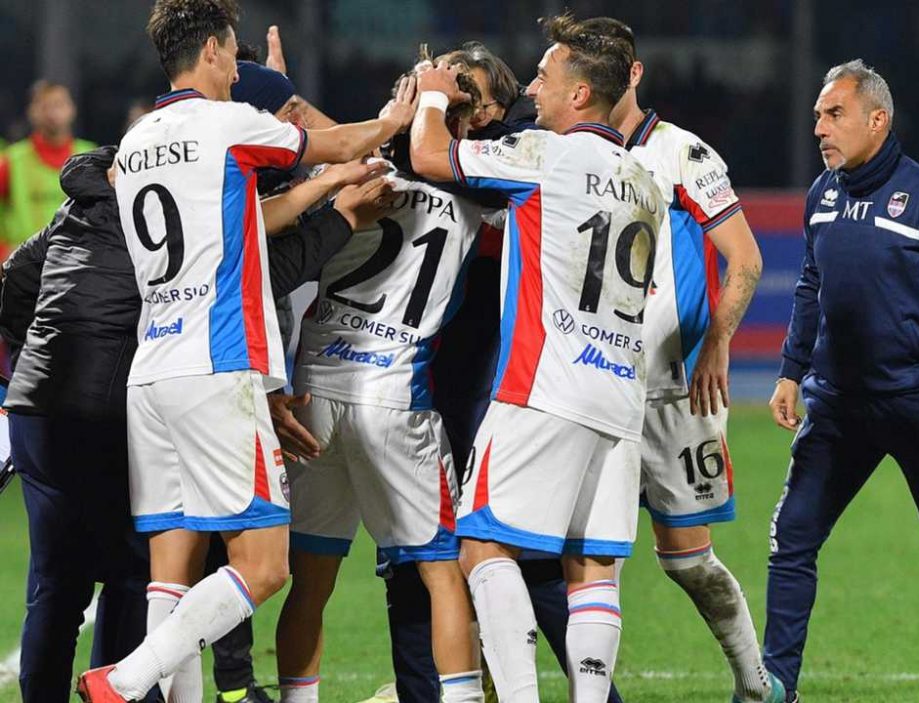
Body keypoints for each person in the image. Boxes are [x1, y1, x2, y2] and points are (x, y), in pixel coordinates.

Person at [75, 0, 419, 699]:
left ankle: (147, 684)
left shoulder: (137, 140)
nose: (238, 69)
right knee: (264, 565)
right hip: (218, 366)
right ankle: (127, 678)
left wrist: (321, 189)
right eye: (233, 55)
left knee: (171, 571)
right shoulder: (227, 123)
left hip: (156, 370)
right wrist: (395, 119)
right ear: (210, 51)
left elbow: (237, 220)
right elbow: (343, 143)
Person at [0, 139, 384, 702]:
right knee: (144, 568)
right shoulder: (179, 208)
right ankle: (126, 686)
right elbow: (259, 273)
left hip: (40, 407)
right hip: (119, 406)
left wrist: (35, 355)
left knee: (57, 583)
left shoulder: (76, 205)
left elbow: (14, 288)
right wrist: (341, 219)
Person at [408, 14, 664, 702]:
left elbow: (431, 158)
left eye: (546, 78)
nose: (534, 90)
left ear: (580, 95)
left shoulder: (543, 155)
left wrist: (432, 95)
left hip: (543, 385)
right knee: (591, 568)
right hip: (618, 395)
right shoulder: (645, 181)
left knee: (482, 547)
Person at [763, 60, 919, 703]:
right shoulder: (823, 195)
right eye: (818, 115)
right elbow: (811, 285)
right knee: (791, 540)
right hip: (839, 408)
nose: (819, 126)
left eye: (834, 114)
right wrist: (791, 371)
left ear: (878, 120)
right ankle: (774, 688)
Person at [578, 17, 779, 703]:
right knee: (579, 553)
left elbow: (746, 259)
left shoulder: (684, 154)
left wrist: (716, 343)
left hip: (674, 395)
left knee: (687, 560)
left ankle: (758, 685)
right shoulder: (570, 151)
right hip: (591, 382)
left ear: (634, 75)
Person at [272, 70, 489, 703]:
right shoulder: (478, 193)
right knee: (442, 574)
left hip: (314, 392)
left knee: (310, 581)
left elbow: (325, 152)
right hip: (395, 396)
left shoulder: (352, 182)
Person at [0, 80, 97, 255]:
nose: (53, 113)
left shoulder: (90, 157)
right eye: (45, 106)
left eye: (59, 104)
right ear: (31, 111)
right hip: (24, 269)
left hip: (78, 266)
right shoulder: (11, 160)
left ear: (72, 109)